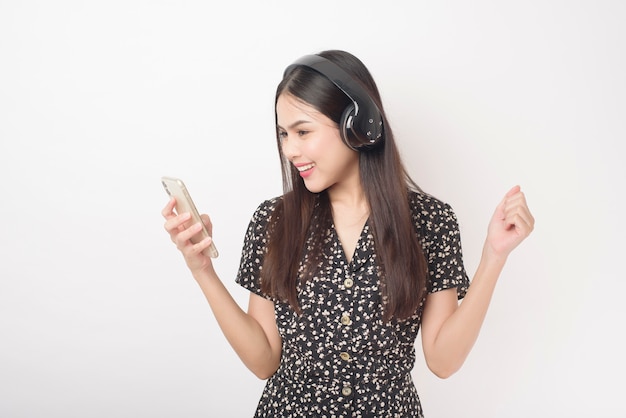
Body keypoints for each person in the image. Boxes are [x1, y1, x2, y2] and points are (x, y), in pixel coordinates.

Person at [162, 50, 534, 417]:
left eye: (303, 131)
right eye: (283, 134)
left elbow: (443, 360)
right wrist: (202, 271)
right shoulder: (273, 221)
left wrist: (493, 257)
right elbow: (263, 361)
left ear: (358, 126)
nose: (290, 150)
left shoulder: (430, 222)